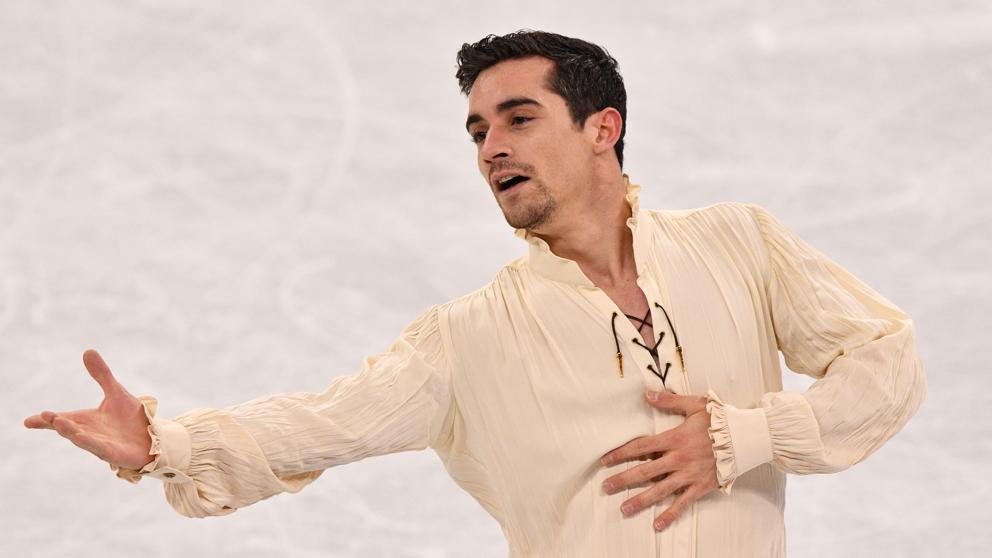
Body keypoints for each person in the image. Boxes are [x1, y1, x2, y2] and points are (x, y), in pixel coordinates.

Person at [24, 30, 926, 557]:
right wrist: (165, 444)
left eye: (519, 118)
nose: (492, 146)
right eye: (477, 131)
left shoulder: (738, 242)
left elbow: (887, 361)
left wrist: (748, 437)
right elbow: (320, 424)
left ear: (603, 128)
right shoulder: (468, 338)